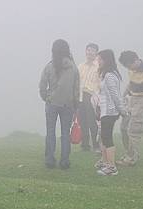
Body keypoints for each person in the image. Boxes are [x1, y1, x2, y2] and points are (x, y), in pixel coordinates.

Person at [39, 39, 80, 169]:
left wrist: (46, 98)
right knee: (65, 133)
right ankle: (65, 161)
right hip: (68, 105)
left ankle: (50, 160)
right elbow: (76, 87)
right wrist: (75, 103)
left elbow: (42, 85)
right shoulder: (73, 67)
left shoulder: (49, 66)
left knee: (50, 132)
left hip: (52, 104)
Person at [94, 49, 129, 176]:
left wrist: (123, 111)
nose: (98, 62)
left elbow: (115, 95)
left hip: (110, 111)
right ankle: (105, 162)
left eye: (100, 59)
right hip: (105, 111)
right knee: (104, 137)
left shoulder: (110, 75)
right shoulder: (106, 74)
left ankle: (112, 167)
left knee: (107, 138)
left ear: (106, 60)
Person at [77, 43, 101, 152]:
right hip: (80, 96)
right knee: (82, 121)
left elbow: (101, 83)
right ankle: (85, 145)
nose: (89, 52)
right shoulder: (81, 66)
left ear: (96, 53)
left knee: (93, 122)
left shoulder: (99, 66)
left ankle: (96, 145)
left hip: (92, 97)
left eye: (92, 50)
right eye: (88, 50)